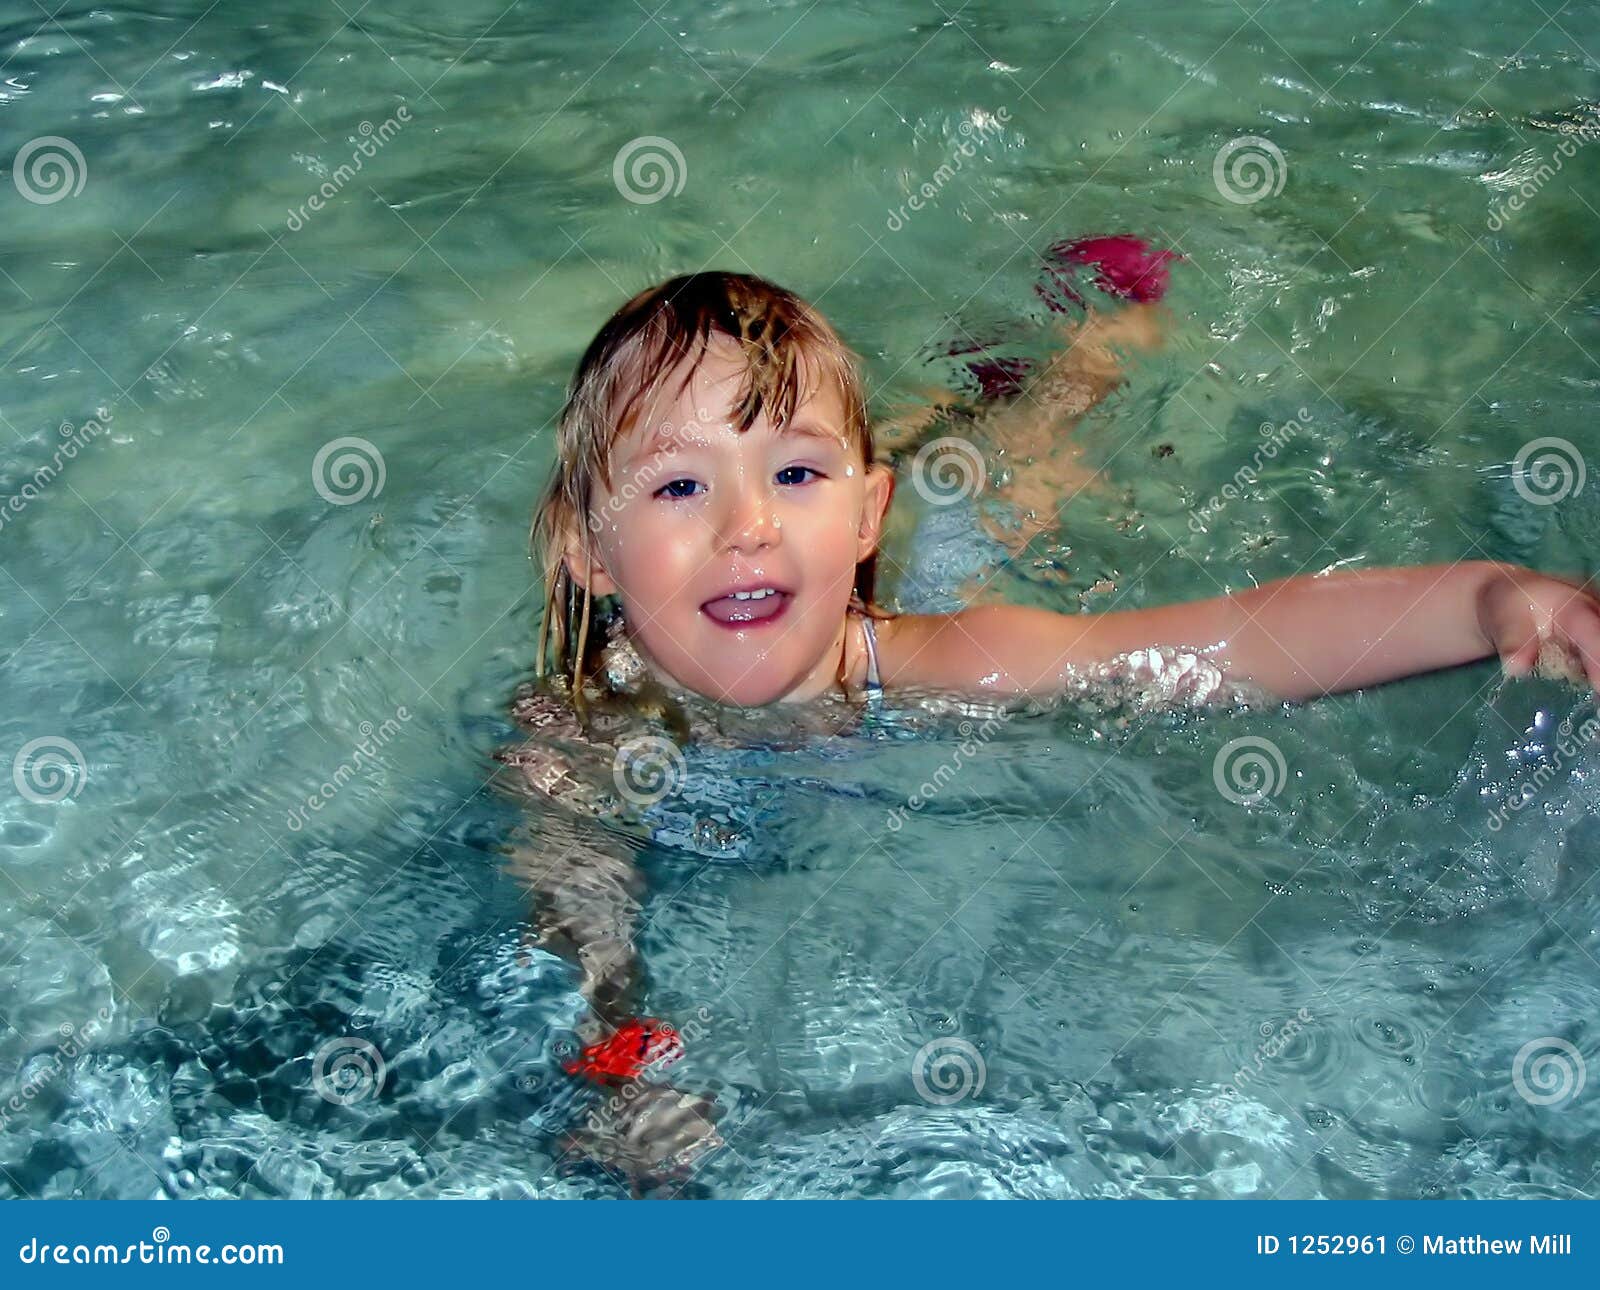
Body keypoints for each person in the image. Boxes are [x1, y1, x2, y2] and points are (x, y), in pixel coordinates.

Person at [500, 256, 1600, 1186]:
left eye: (793, 472)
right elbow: (576, 910)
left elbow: (1226, 647)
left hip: (929, 601)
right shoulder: (587, 733)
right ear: (589, 550)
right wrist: (619, 1061)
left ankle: (1081, 343)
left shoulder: (946, 661)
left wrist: (1488, 597)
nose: (747, 527)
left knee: (1008, 488)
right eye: (681, 489)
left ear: (862, 512)